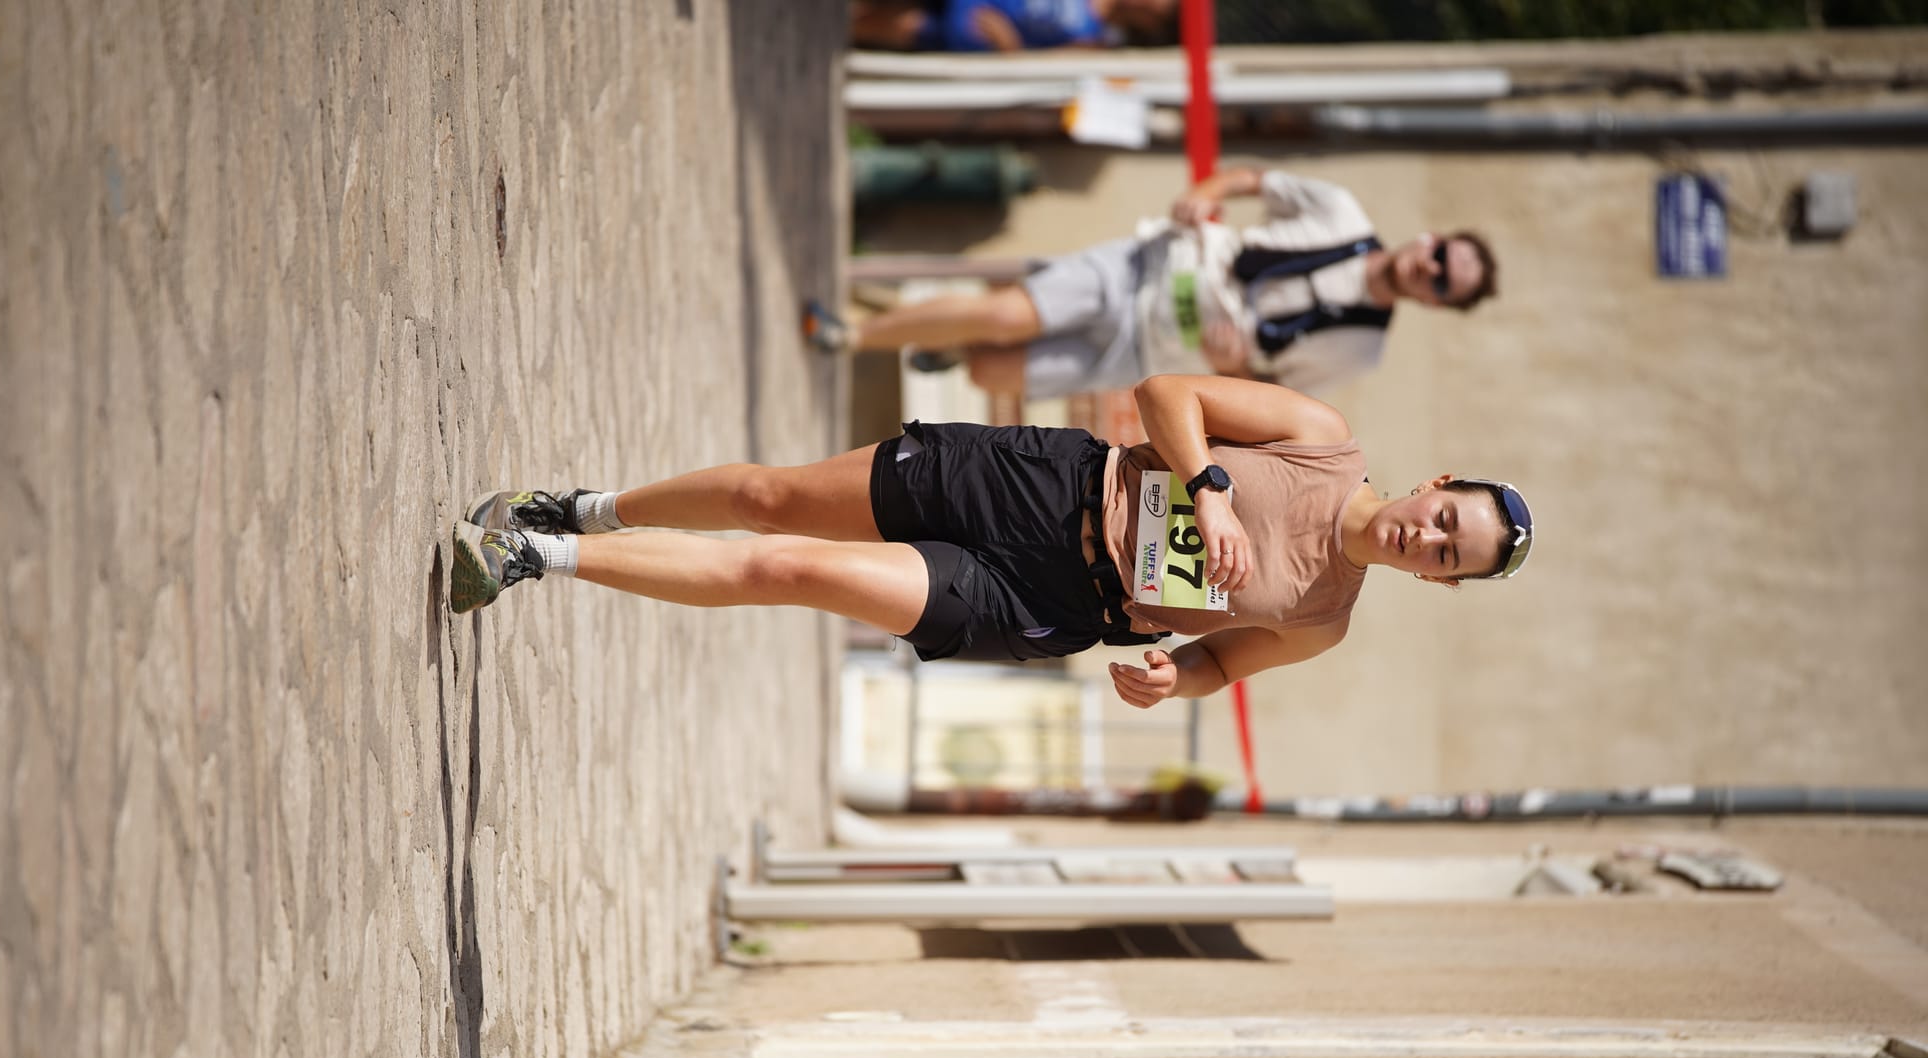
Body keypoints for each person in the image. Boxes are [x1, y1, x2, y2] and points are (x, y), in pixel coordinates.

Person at [449, 376, 1533, 708]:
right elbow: (1166, 393)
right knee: (775, 500)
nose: (1424, 537)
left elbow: (1213, 663)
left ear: (1437, 584)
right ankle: (588, 508)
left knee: (790, 570)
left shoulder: (1318, 621)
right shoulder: (1321, 440)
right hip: (1037, 481)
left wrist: (1169, 677)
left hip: (1046, 601)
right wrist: (1204, 488)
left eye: (1446, 555)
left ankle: (530, 558)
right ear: (1433, 484)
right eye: (1445, 518)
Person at [805, 165, 1498, 401]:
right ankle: (854, 334)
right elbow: (1252, 180)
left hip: (1152, 356)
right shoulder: (1342, 210)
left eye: (1443, 285)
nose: (1428, 272)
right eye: (1440, 258)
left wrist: (1234, 371)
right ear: (1430, 241)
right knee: (1005, 315)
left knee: (989, 371)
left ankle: (948, 345)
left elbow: (1274, 398)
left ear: (1438, 305)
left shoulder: (1360, 350)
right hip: (1147, 274)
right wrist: (1201, 194)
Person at [852, 0, 1179, 53]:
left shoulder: (1096, 40)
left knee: (909, 25)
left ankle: (840, 31)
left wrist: (1006, 42)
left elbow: (1036, 66)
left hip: (982, 22)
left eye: (1152, 7)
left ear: (1149, 24)